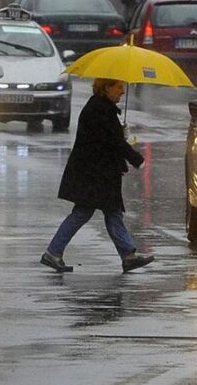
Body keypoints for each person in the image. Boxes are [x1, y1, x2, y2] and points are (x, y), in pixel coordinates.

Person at [41, 77, 153, 274]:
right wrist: (137, 159)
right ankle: (53, 252)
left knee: (111, 212)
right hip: (94, 175)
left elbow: (109, 139)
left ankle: (127, 255)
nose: (122, 92)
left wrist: (120, 132)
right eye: (119, 87)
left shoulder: (101, 108)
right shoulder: (100, 110)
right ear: (107, 88)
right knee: (87, 213)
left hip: (95, 173)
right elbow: (113, 142)